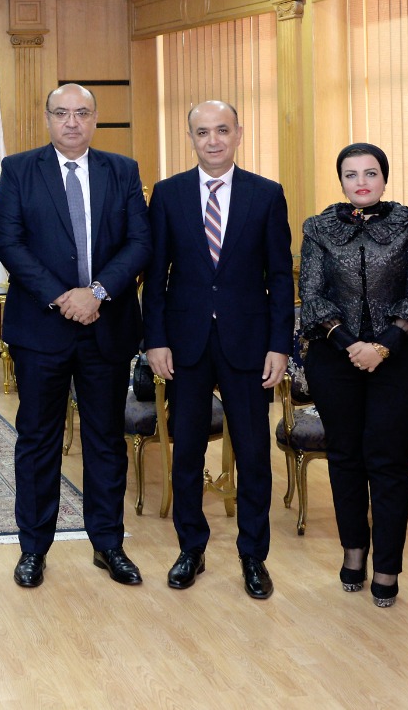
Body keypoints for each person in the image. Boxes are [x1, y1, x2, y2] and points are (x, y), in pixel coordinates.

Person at [0, 84, 151, 589]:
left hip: (107, 327)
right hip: (41, 328)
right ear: (48, 119)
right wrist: (64, 297)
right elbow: (9, 243)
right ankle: (33, 548)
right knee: (38, 440)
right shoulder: (19, 169)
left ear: (95, 118)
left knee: (105, 439)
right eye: (61, 113)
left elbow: (139, 242)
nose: (72, 122)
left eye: (82, 113)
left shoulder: (122, 170)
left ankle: (108, 544)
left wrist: (97, 293)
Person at [145, 100, 293, 600]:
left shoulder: (266, 194)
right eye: (203, 132)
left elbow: (280, 277)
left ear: (238, 134)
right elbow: (156, 277)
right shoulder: (167, 194)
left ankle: (253, 556)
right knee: (186, 451)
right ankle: (191, 548)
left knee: (253, 453)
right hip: (184, 344)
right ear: (191, 138)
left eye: (222, 130)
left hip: (248, 342)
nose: (213, 140)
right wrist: (155, 339)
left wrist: (279, 346)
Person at [297, 143, 408, 607]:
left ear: (384, 178)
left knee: (389, 460)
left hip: (402, 359)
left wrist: (383, 345)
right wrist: (349, 343)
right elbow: (312, 294)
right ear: (340, 181)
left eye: (371, 173)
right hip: (334, 358)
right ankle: (354, 551)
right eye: (351, 174)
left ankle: (388, 566)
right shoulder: (318, 228)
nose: (361, 182)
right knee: (345, 457)